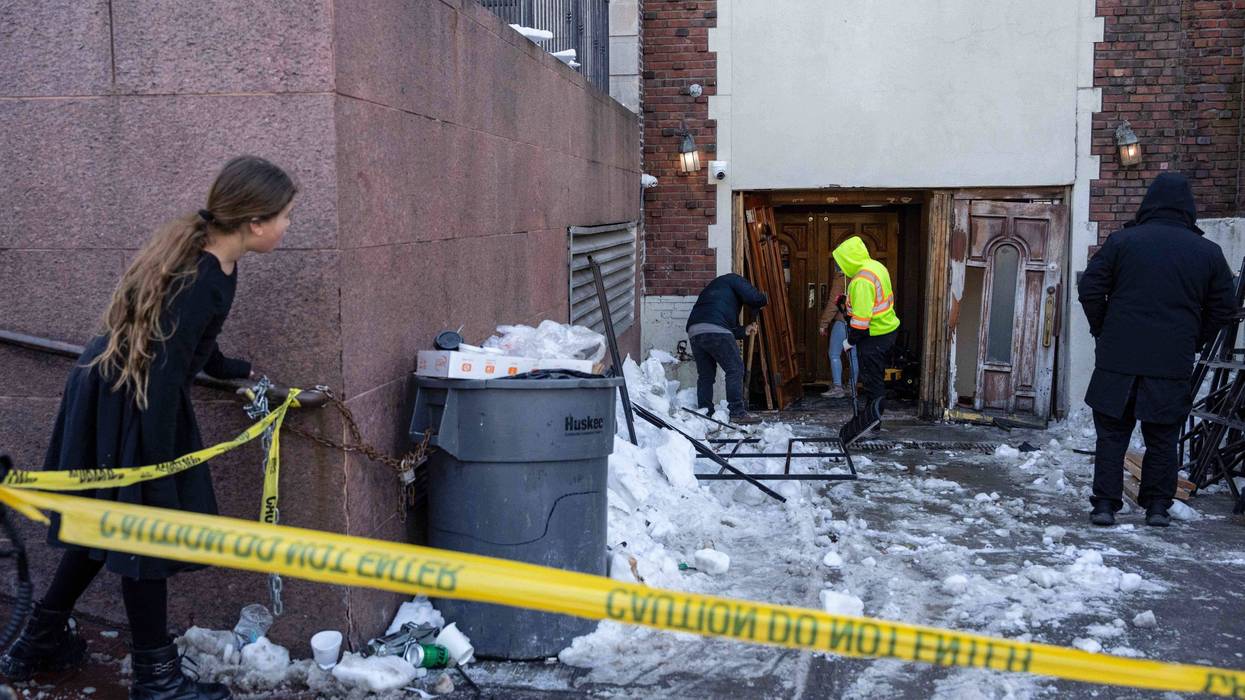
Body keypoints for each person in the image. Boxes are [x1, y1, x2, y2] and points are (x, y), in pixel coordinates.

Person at [0, 156, 297, 698]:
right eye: (284, 217)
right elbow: (161, 378)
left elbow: (187, 345)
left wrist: (227, 368)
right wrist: (157, 467)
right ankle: (155, 679)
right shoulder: (204, 274)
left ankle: (36, 641)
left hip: (121, 392)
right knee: (145, 536)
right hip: (132, 400)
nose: (286, 227)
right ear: (255, 221)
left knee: (107, 526)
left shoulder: (215, 264)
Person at [1079, 172, 1235, 528]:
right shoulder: (1208, 253)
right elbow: (1223, 308)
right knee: (1163, 437)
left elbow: (1090, 289)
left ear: (1148, 204)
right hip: (1170, 362)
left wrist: (1103, 329)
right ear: (1188, 209)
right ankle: (1157, 508)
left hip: (1118, 360)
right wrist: (1195, 339)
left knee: (1112, 435)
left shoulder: (1122, 242)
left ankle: (1104, 505)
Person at [832, 236, 900, 444]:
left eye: (840, 262)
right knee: (874, 376)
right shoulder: (875, 267)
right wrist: (847, 304)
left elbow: (861, 322)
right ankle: (871, 418)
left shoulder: (861, 281)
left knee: (872, 380)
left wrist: (850, 341)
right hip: (887, 329)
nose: (838, 267)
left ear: (849, 259)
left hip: (874, 335)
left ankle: (873, 423)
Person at [685, 273, 768, 424]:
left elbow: (727, 327)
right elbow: (754, 297)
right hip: (715, 329)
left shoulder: (716, 292)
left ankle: (705, 410)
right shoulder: (735, 279)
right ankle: (737, 412)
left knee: (706, 375)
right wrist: (764, 300)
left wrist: (745, 330)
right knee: (735, 368)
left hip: (694, 330)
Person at [819, 271, 859, 399]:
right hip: (859, 322)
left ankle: (838, 388)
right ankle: (852, 388)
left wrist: (824, 323)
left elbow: (834, 302)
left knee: (834, 354)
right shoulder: (861, 274)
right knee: (853, 357)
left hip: (843, 321)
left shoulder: (842, 278)